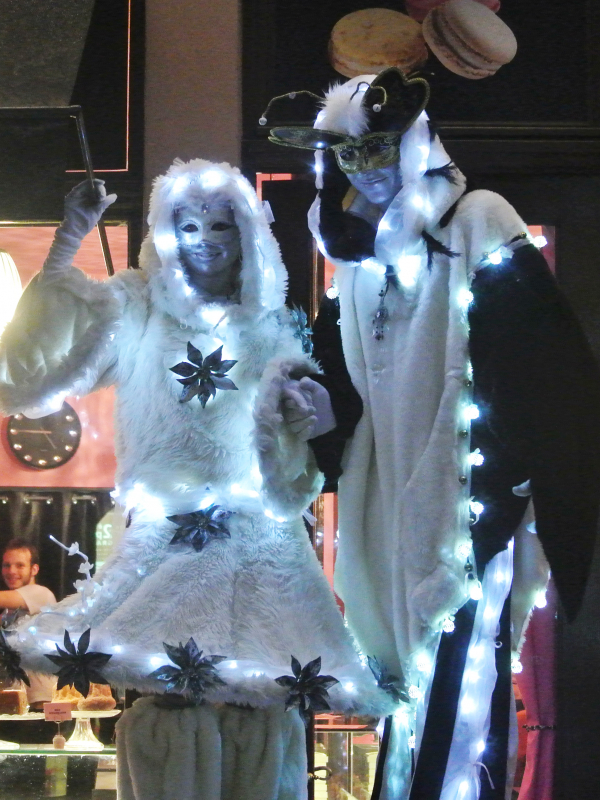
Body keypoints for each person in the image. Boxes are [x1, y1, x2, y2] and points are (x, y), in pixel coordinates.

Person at [0, 161, 390, 800]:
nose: (205, 239)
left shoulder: (273, 323)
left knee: (262, 698)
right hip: (168, 538)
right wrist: (70, 239)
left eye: (220, 225)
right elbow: (48, 364)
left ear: (246, 232)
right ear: (166, 231)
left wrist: (306, 416)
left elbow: (301, 430)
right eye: (188, 226)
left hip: (261, 541)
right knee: (171, 702)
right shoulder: (138, 307)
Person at [268, 68, 600, 800]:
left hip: (466, 496)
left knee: (459, 691)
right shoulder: (355, 265)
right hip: (388, 501)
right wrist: (316, 414)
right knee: (406, 687)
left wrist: (505, 481)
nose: (368, 168)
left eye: (380, 148)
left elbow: (540, 362)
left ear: (415, 141)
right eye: (350, 155)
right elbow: (343, 386)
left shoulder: (479, 220)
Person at [0, 539, 56, 709]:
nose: (11, 571)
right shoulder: (7, 612)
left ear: (34, 569)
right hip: (15, 703)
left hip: (43, 702)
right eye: (7, 565)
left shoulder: (41, 594)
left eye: (20, 565)